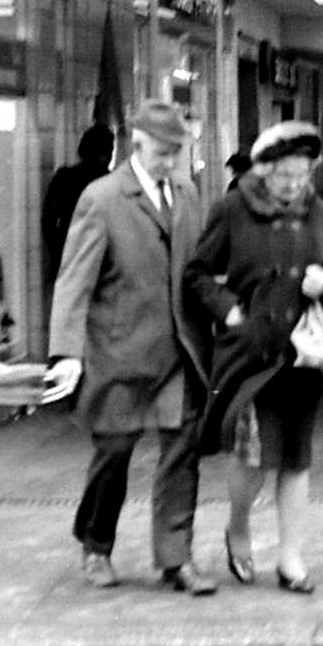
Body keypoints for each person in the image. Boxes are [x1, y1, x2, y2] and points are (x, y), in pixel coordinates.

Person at [43, 102, 216, 595]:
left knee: (182, 452)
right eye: (162, 152)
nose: (169, 162)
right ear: (136, 143)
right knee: (114, 453)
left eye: (175, 153)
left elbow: (195, 269)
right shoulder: (102, 198)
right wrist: (67, 353)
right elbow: (73, 282)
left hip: (180, 350)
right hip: (119, 352)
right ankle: (96, 545)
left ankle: (175, 558)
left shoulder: (186, 194)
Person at [185, 122, 323, 595]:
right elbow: (198, 274)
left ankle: (291, 558)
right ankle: (238, 527)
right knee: (253, 456)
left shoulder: (320, 212)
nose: (294, 185)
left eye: (302, 175)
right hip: (252, 354)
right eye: (284, 175)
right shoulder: (232, 209)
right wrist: (229, 311)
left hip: (303, 355)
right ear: (264, 170)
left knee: (295, 457)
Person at [40, 124, 114, 282]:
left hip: (70, 264)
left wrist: (61, 255)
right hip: (102, 268)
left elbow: (48, 222)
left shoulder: (64, 178)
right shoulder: (112, 182)